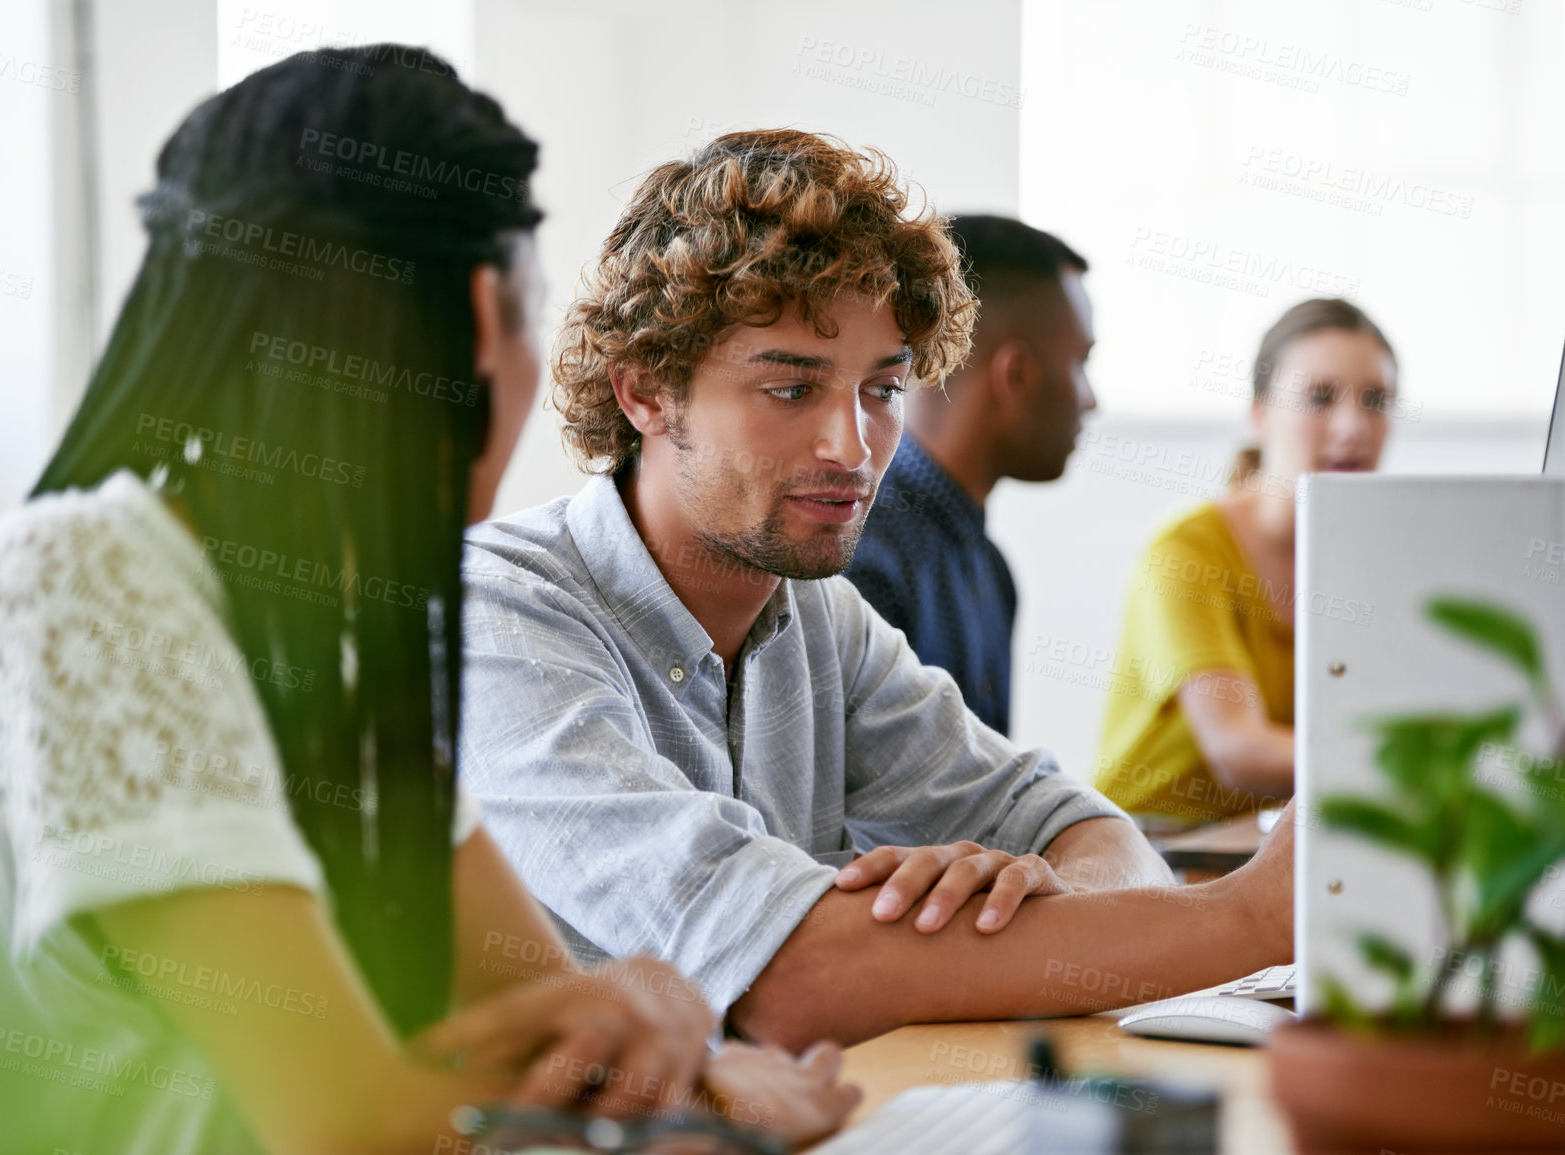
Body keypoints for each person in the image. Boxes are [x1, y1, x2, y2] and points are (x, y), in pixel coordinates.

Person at [0, 49, 857, 1153]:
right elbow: (360, 1132)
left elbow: (523, 1029)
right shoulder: (85, 585)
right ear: (481, 320)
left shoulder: (352, 626)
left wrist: (659, 1040)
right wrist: (659, 1027)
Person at [460, 128, 1296, 1054]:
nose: (853, 450)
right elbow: (794, 979)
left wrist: (1038, 896)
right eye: (789, 390)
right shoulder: (495, 614)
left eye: (882, 389)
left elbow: (1083, 828)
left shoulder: (817, 615)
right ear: (645, 393)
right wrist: (1253, 917)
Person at [1094, 298, 1399, 825]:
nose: (1353, 427)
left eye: (1376, 400)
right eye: (1320, 397)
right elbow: (1237, 748)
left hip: (1268, 849)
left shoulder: (1379, 564)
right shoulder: (1185, 550)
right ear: (1259, 415)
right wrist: (1420, 768)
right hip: (1151, 850)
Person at [845, 214, 1095, 736]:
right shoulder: (856, 551)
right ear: (1016, 376)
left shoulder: (989, 569)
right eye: (1080, 363)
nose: (1091, 400)